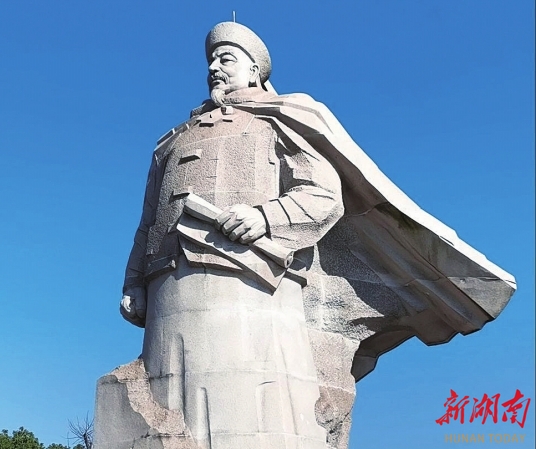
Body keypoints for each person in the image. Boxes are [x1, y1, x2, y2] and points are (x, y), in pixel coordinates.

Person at [116, 22, 515, 449]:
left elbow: (324, 195)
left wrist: (265, 217)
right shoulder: (170, 143)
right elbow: (147, 223)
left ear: (255, 72)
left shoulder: (280, 120)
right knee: (168, 399)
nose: (214, 67)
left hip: (253, 282)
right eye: (211, 61)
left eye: (226, 59)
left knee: (248, 410)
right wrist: (133, 282)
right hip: (168, 285)